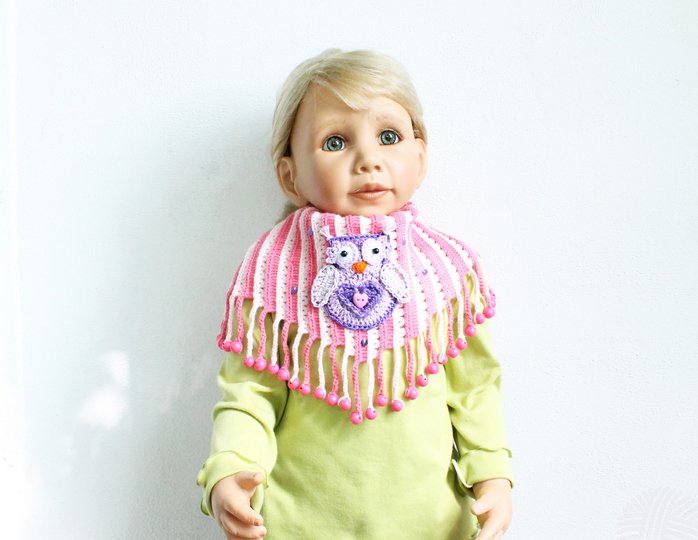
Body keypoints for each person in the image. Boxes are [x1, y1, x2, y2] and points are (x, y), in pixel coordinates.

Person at [197, 48, 513, 540]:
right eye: (335, 142)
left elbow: (474, 389)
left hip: (430, 524)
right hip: (297, 525)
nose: (368, 160)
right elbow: (250, 393)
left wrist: (492, 474)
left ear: (420, 157)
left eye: (389, 137)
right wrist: (231, 469)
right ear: (290, 175)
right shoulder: (273, 273)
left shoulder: (446, 273)